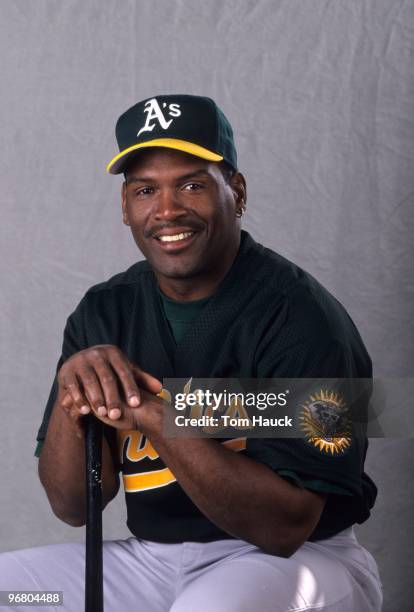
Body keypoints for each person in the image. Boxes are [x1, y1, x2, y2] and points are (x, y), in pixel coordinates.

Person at [0, 94, 383, 611]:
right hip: (150, 564)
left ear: (237, 192)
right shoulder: (103, 311)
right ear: (124, 207)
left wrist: (156, 414)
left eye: (192, 184)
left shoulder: (305, 318)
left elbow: (285, 526)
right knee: (17, 594)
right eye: (144, 190)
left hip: (298, 563)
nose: (166, 210)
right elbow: (73, 505)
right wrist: (75, 394)